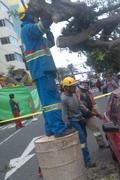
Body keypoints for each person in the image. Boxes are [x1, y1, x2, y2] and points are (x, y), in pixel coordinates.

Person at [18, 5, 73, 137]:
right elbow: (43, 25)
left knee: (47, 103)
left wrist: (48, 31)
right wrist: (46, 13)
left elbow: (50, 43)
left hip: (42, 71)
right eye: (34, 14)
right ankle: (58, 129)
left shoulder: (31, 33)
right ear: (29, 15)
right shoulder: (28, 29)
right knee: (51, 102)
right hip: (43, 70)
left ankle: (50, 128)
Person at [61, 77, 95, 168]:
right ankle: (87, 161)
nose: (74, 87)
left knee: (83, 138)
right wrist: (68, 124)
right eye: (72, 86)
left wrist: (88, 111)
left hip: (80, 119)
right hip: (73, 121)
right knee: (82, 139)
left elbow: (80, 105)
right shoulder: (63, 99)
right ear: (66, 87)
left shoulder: (74, 95)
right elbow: (64, 114)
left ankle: (82, 156)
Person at [76, 81, 107, 148]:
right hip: (79, 117)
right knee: (82, 135)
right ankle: (82, 149)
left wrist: (97, 113)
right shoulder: (76, 93)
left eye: (87, 84)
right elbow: (80, 106)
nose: (86, 86)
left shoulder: (89, 93)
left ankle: (101, 143)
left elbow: (93, 104)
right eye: (84, 84)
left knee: (96, 129)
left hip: (88, 115)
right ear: (80, 85)